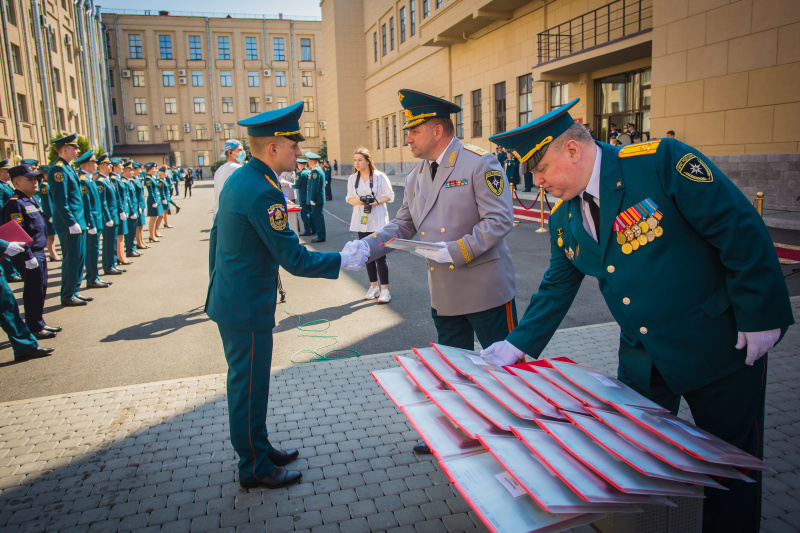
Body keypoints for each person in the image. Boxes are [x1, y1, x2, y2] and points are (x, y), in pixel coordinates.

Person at [483, 98, 793, 533]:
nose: (536, 181)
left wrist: (760, 313)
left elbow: (738, 228)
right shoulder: (563, 216)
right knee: (638, 459)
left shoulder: (659, 162)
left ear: (572, 150)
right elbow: (557, 284)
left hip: (718, 347)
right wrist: (517, 345)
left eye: (540, 168)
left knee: (730, 469)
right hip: (644, 360)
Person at [205, 101, 369, 490]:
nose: (299, 151)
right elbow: (293, 259)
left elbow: (215, 237)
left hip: (235, 297)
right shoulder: (264, 190)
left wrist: (218, 283)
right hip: (244, 305)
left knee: (251, 383)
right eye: (293, 145)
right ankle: (254, 468)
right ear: (273, 148)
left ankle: (258, 448)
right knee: (248, 386)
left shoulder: (242, 178)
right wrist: (343, 260)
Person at [348, 89, 519, 454]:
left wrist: (456, 250)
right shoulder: (416, 175)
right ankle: (457, 431)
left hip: (485, 286)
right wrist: (368, 246)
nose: (406, 138)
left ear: (437, 130)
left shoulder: (478, 162)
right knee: (452, 368)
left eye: (413, 131)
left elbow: (501, 219)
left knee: (502, 369)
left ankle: (509, 433)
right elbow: (404, 224)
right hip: (445, 289)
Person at [1, 165, 61, 339]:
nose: (35, 182)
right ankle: (34, 326)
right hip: (29, 254)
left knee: (41, 289)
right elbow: (17, 233)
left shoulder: (31, 200)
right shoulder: (15, 203)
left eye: (36, 179)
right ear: (17, 182)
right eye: (30, 179)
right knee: (33, 290)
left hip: (39, 252)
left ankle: (39, 322)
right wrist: (27, 256)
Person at [346, 147, 394, 303]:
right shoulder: (353, 178)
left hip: (378, 219)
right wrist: (359, 202)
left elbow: (390, 195)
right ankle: (374, 287)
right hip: (362, 220)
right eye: (355, 160)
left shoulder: (380, 176)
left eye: (360, 160)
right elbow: (349, 198)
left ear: (368, 161)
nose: (357, 163)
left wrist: (376, 202)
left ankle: (385, 290)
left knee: (380, 254)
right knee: (366, 254)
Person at [48, 134, 91, 306]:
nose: (77, 150)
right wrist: (71, 222)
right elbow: (60, 200)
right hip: (69, 224)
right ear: (65, 149)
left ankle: (74, 290)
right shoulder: (58, 169)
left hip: (77, 221)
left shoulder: (68, 167)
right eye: (75, 148)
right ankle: (67, 295)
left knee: (79, 258)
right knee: (71, 259)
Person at [74, 150, 109, 289]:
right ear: (89, 164)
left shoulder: (89, 178)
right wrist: (91, 223)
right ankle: (92, 278)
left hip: (96, 219)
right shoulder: (83, 180)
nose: (96, 164)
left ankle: (95, 276)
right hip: (92, 221)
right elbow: (86, 204)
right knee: (91, 252)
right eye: (94, 162)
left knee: (94, 251)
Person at [95, 154, 124, 276]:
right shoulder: (100, 182)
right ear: (101, 166)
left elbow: (115, 198)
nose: (110, 166)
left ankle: (112, 264)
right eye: (108, 164)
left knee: (112, 241)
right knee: (108, 242)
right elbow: (103, 202)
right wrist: (107, 217)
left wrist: (120, 211)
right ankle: (108, 266)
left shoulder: (107, 180)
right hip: (109, 217)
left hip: (114, 215)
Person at [0, 159, 23, 283]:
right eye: (6, 171)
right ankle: (10, 273)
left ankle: (14, 270)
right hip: (3, 220)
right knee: (5, 246)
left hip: (8, 219)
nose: (8, 173)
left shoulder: (6, 184)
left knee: (12, 245)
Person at [109, 158, 132, 266]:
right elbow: (116, 197)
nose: (122, 167)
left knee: (122, 233)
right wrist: (121, 210)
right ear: (114, 167)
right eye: (120, 165)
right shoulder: (113, 179)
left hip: (122, 209)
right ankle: (120, 255)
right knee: (119, 234)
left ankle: (121, 254)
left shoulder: (117, 178)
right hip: (118, 210)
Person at [36, 164, 61, 262]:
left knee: (52, 234)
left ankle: (53, 253)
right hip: (48, 214)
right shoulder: (44, 186)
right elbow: (46, 202)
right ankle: (52, 254)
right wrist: (50, 215)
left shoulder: (48, 184)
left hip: (52, 212)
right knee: (50, 234)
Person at [214, 139, 245, 218]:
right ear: (230, 153)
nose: (243, 152)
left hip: (219, 215)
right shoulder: (238, 169)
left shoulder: (219, 170)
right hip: (233, 217)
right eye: (240, 150)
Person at [121, 161, 142, 258]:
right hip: (130, 210)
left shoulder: (129, 181)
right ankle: (130, 249)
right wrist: (131, 210)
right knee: (129, 232)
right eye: (130, 170)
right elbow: (126, 198)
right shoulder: (124, 182)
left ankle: (132, 248)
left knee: (132, 230)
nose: (132, 172)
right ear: (125, 171)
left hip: (133, 208)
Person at [305, 152, 327, 242]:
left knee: (318, 218)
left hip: (316, 199)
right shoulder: (318, 169)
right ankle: (320, 235)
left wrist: (312, 199)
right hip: (318, 198)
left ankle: (321, 236)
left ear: (310, 161)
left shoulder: (315, 171)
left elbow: (315, 187)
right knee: (318, 217)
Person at [289, 158, 313, 235]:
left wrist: (291, 185)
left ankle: (307, 231)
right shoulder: (309, 172)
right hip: (309, 195)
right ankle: (313, 229)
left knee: (304, 214)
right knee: (311, 213)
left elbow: (297, 185)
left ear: (300, 165)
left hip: (303, 196)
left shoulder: (300, 174)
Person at [144, 163, 163, 243]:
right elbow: (150, 191)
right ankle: (151, 235)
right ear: (149, 170)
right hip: (153, 201)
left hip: (156, 200)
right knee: (153, 218)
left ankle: (154, 233)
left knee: (156, 217)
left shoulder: (152, 178)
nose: (155, 170)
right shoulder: (148, 178)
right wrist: (154, 201)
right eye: (153, 169)